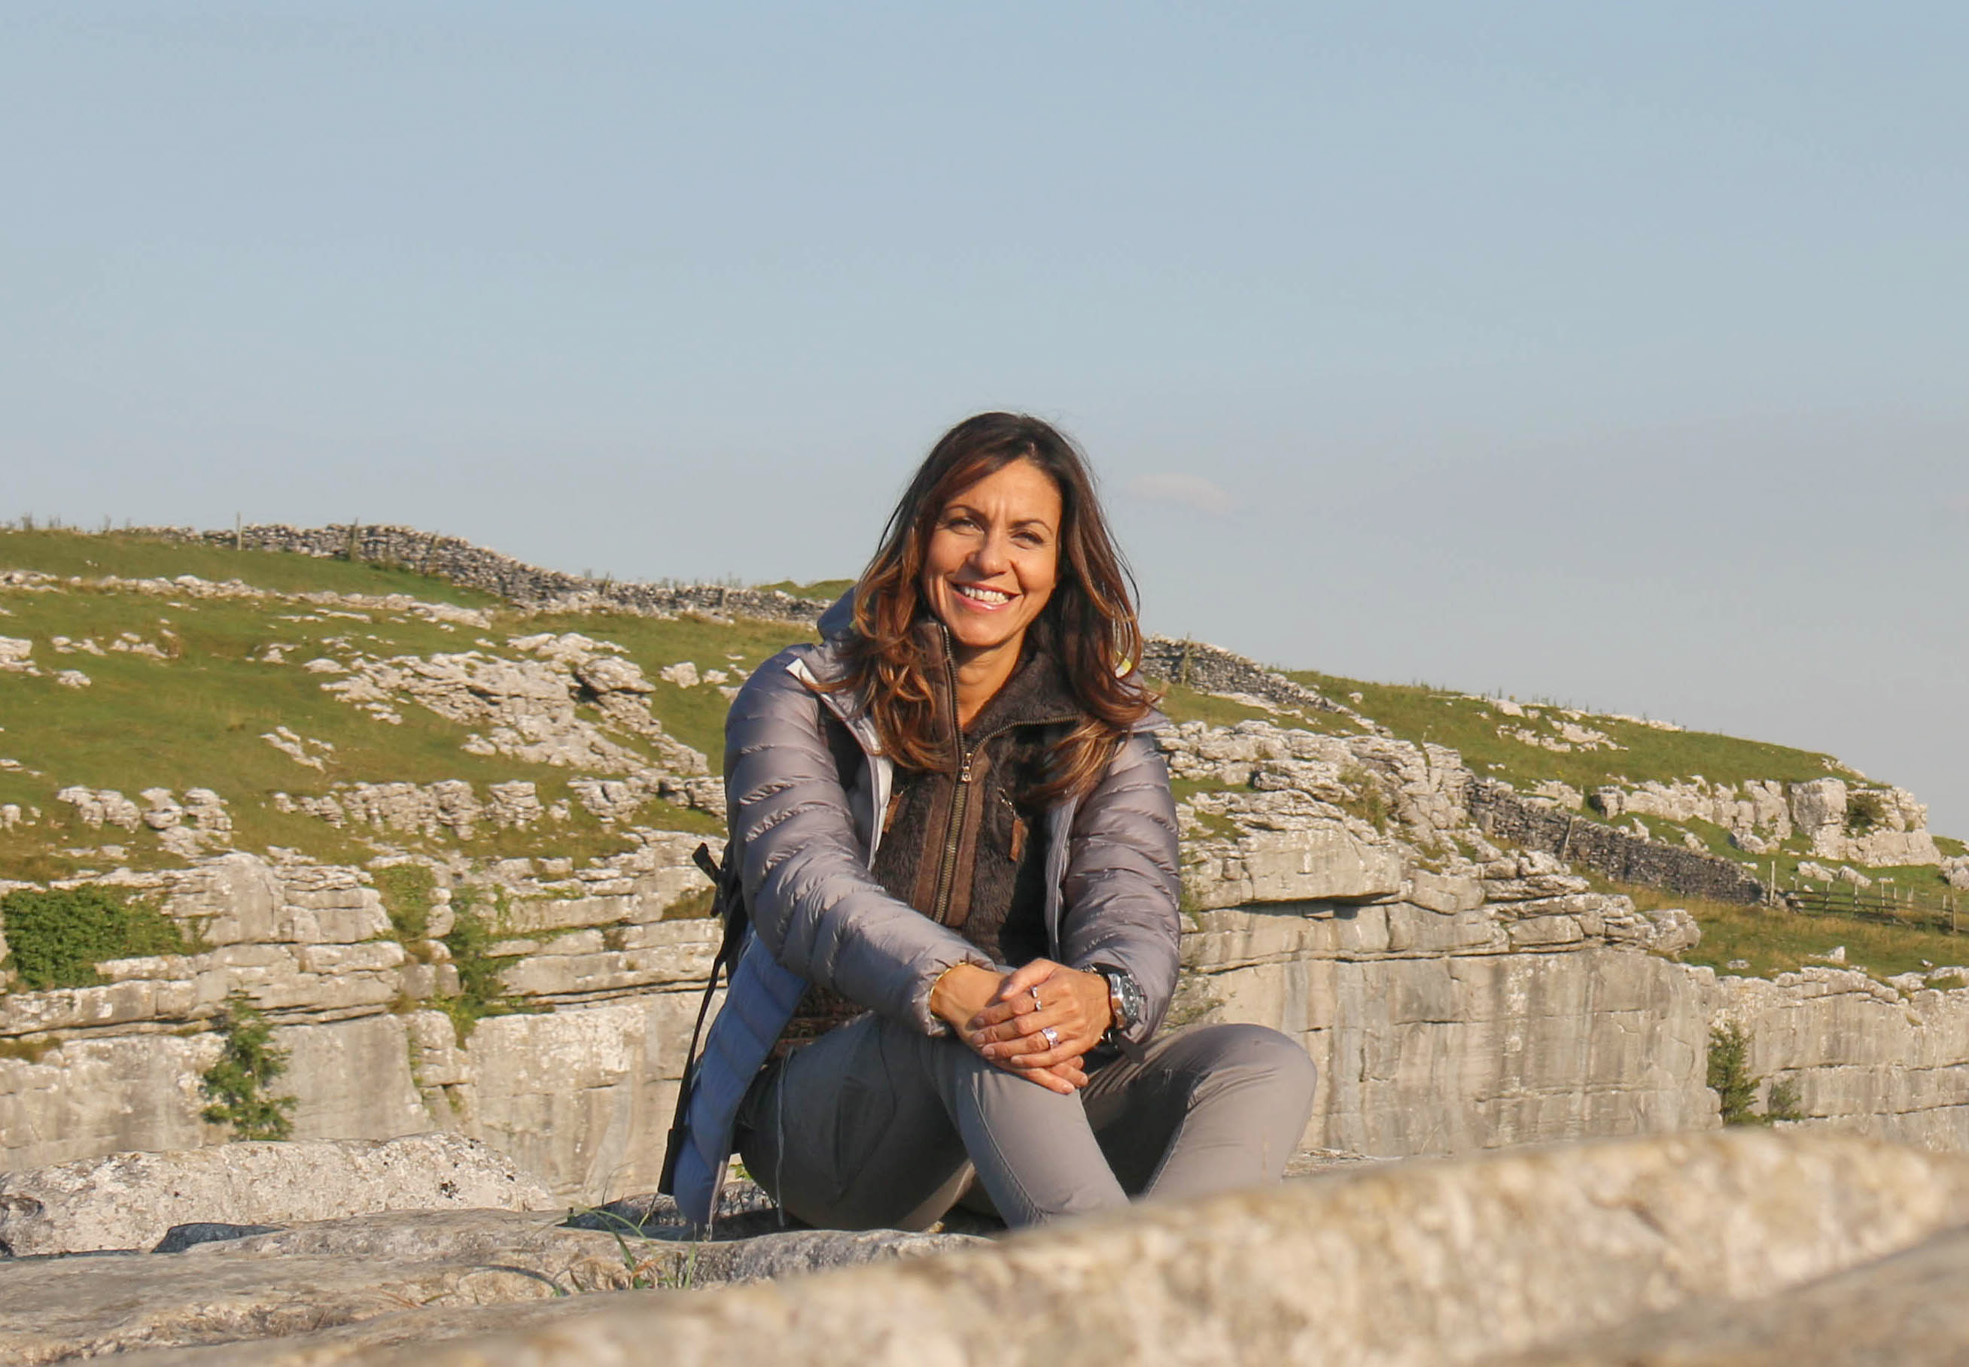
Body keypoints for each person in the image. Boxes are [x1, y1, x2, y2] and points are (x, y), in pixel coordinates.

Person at [667, 412, 1317, 1230]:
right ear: (919, 534)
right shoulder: (804, 697)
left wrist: (1102, 995)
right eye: (964, 522)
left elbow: (1135, 906)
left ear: (1060, 564)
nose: (990, 559)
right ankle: (1127, 1309)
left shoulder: (1099, 729)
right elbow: (804, 886)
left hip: (1021, 1099)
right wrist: (954, 987)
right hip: (828, 1121)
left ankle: (1179, 1278)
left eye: (1027, 535)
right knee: (984, 1032)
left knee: (1259, 1061)